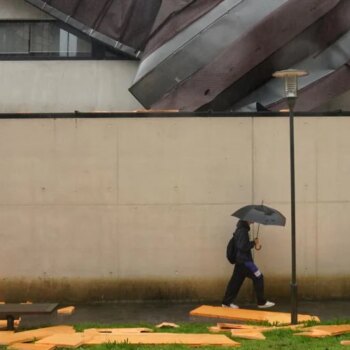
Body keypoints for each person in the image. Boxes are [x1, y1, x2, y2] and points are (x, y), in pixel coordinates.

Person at [222, 219, 275, 309]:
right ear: (247, 220)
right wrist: (254, 243)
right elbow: (242, 246)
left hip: (240, 262)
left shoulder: (240, 229)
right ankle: (261, 302)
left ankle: (226, 303)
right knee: (259, 277)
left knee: (235, 282)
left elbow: (241, 245)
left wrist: (253, 243)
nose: (254, 220)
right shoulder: (243, 231)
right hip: (245, 262)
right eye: (252, 218)